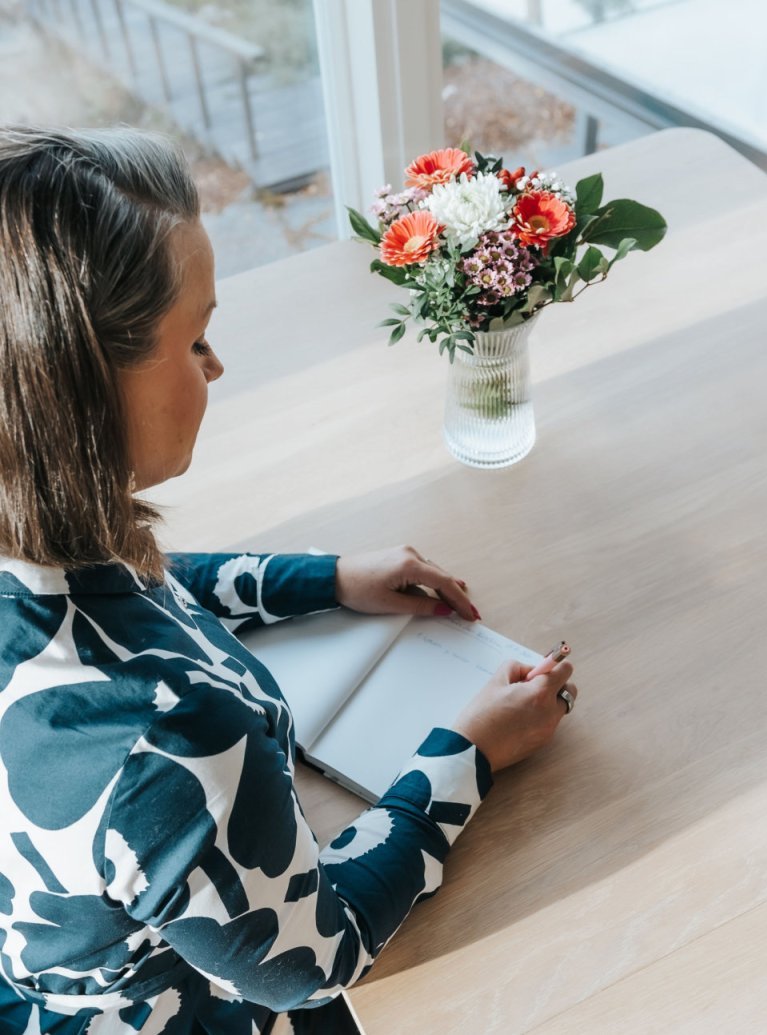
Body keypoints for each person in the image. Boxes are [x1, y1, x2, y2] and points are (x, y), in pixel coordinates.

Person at [0, 127, 577, 1034]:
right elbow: (311, 959)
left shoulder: (34, 543)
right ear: (84, 392)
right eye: (195, 339)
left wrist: (323, 579)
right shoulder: (165, 735)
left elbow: (136, 585)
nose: (216, 365)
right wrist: (470, 751)